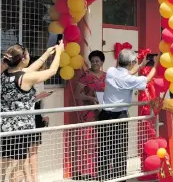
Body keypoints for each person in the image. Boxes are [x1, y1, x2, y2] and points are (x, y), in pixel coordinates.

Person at [1, 42, 63, 182]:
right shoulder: (25, 78)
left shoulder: (5, 74)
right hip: (20, 129)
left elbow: (30, 68)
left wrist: (48, 53)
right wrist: (59, 52)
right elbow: (52, 71)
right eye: (28, 54)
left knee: (5, 165)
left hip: (5, 126)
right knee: (20, 167)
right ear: (23, 59)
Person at [97, 49, 157, 181]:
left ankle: (103, 177)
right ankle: (119, 177)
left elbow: (127, 73)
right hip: (119, 116)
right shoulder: (129, 79)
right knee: (120, 148)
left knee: (104, 148)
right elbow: (146, 80)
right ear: (131, 62)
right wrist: (156, 65)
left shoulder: (111, 72)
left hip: (104, 115)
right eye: (134, 61)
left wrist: (140, 65)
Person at [74, 50, 106, 180]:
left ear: (102, 62)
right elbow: (77, 94)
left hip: (104, 112)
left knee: (102, 141)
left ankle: (101, 170)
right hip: (89, 113)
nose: (95, 63)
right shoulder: (85, 76)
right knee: (88, 141)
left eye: (97, 61)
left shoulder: (107, 75)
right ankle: (87, 172)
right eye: (92, 61)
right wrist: (91, 99)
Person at [26, 57, 52, 182]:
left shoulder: (40, 81)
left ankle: (35, 177)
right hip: (26, 115)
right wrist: (38, 96)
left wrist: (44, 115)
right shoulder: (25, 79)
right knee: (24, 149)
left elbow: (42, 101)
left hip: (37, 114)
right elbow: (22, 101)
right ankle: (27, 177)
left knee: (34, 148)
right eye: (42, 67)